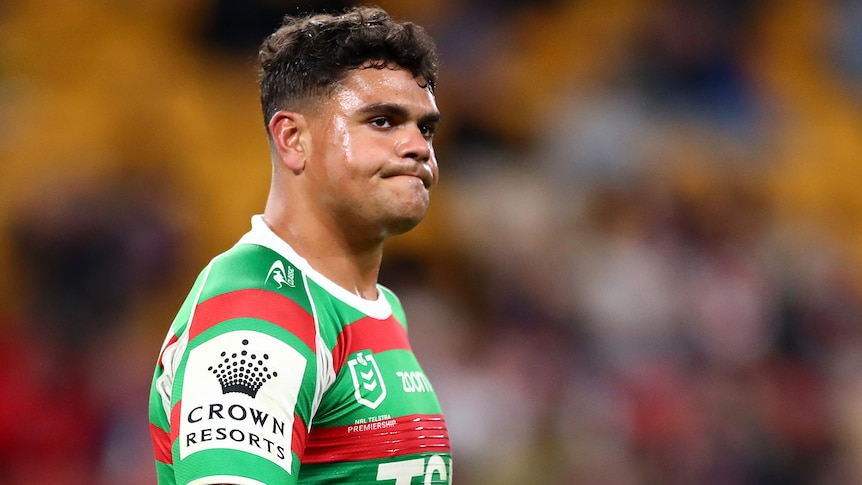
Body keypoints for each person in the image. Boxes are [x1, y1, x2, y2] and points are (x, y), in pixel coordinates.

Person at [148, 6, 451, 484]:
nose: (419, 147)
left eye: (425, 127)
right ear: (292, 138)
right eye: (383, 121)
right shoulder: (259, 309)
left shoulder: (381, 308)